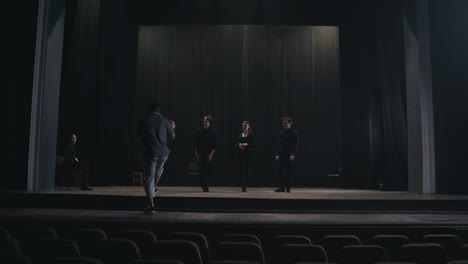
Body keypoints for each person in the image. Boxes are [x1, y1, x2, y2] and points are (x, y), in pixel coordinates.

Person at [139, 102, 176, 215]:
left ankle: (151, 206)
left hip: (151, 152)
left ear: (149, 110)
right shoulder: (164, 120)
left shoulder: (145, 121)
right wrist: (172, 127)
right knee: (159, 170)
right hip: (164, 153)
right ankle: (153, 189)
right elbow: (173, 136)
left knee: (149, 178)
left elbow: (140, 136)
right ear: (158, 110)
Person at [274, 116, 299, 193]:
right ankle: (281, 187)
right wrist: (277, 154)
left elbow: (295, 145)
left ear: (290, 123)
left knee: (289, 172)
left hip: (289, 155)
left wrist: (293, 154)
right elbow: (279, 144)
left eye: (285, 123)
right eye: (283, 123)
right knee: (280, 171)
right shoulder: (281, 133)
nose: (284, 124)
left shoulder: (294, 133)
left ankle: (288, 188)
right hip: (281, 154)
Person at [195, 115, 216, 192]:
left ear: (210, 122)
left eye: (206, 121)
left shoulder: (213, 132)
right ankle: (203, 185)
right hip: (201, 153)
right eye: (204, 121)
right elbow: (196, 144)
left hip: (208, 154)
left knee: (207, 170)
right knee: (201, 171)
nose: (204, 122)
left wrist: (211, 154)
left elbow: (215, 145)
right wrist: (197, 154)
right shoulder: (199, 131)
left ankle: (206, 186)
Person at [237, 121, 255, 192]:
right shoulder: (240, 134)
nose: (243, 126)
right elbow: (237, 142)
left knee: (247, 170)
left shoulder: (251, 135)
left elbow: (253, 144)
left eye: (245, 125)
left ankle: (245, 186)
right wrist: (239, 145)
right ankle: (242, 185)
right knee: (241, 170)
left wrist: (246, 144)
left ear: (248, 126)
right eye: (242, 125)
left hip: (248, 154)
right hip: (241, 154)